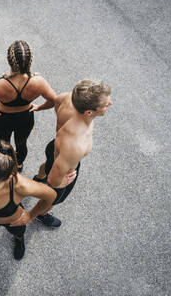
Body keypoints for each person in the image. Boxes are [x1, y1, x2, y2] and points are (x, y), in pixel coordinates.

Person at [33, 79, 112, 228]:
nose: (110, 104)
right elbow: (53, 181)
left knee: (49, 162)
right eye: (106, 104)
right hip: (65, 159)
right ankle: (40, 215)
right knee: (54, 198)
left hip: (55, 148)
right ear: (89, 112)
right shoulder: (75, 145)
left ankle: (38, 178)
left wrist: (40, 108)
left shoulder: (69, 98)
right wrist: (57, 184)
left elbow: (55, 102)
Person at [0, 40, 57, 171]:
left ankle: (5, 168)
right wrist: (39, 107)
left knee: (3, 146)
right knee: (21, 144)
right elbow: (54, 100)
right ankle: (18, 165)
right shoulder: (39, 82)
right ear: (30, 61)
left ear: (9, 62)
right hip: (25, 119)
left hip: (2, 119)